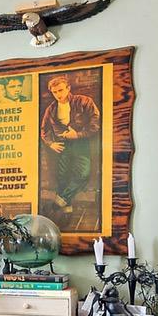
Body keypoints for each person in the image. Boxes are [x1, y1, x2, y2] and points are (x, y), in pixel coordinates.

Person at [39, 72, 101, 223]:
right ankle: (67, 210)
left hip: (80, 142)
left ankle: (57, 203)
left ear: (68, 88)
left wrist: (79, 134)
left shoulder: (84, 101)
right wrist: (51, 143)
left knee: (83, 174)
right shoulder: (51, 109)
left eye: (61, 90)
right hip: (61, 145)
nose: (58, 94)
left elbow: (96, 122)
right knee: (62, 177)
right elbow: (44, 130)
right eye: (54, 92)